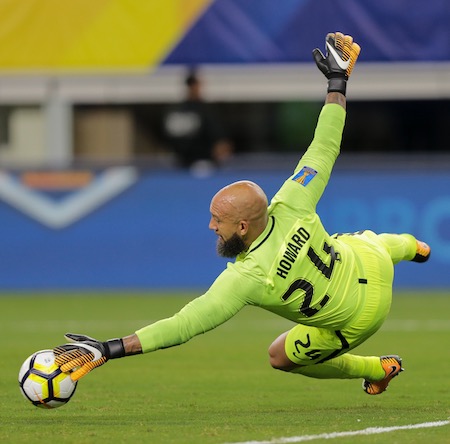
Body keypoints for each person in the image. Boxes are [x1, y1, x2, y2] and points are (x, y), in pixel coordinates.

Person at [53, 32, 431, 396]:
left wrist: (109, 348)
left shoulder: (248, 277)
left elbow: (184, 325)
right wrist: (337, 81)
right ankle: (412, 247)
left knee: (280, 356)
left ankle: (377, 369)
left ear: (244, 226)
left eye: (219, 220)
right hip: (372, 263)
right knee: (359, 241)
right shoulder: (291, 201)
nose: (211, 226)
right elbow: (325, 145)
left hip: (359, 319)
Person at [162, 68, 234, 171]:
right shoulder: (178, 110)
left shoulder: (205, 109)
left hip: (203, 162)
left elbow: (219, 137)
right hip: (185, 162)